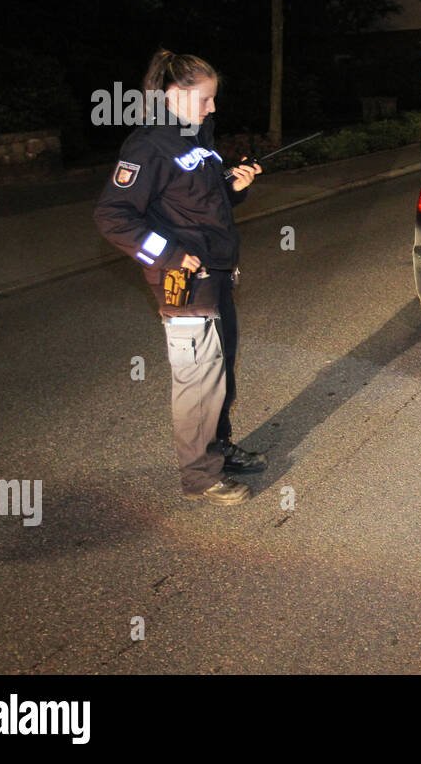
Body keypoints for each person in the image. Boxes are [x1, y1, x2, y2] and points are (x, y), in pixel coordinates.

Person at [94, 48, 265, 506]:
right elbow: (113, 217)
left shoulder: (196, 137)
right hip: (185, 283)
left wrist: (233, 187)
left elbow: (200, 200)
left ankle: (219, 449)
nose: (213, 107)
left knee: (220, 372)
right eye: (205, 99)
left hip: (218, 273)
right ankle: (200, 477)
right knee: (198, 380)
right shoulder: (148, 146)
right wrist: (168, 255)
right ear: (172, 94)